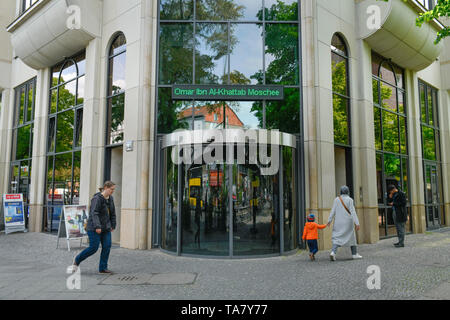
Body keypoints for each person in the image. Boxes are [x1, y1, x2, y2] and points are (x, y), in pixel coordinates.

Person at [71, 181, 117, 274]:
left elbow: (112, 213)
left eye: (113, 189)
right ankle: (77, 260)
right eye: (111, 189)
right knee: (93, 248)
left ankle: (103, 268)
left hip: (106, 228)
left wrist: (113, 225)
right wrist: (97, 226)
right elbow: (94, 213)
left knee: (107, 246)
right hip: (94, 227)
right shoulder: (97, 198)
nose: (113, 191)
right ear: (105, 188)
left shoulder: (110, 199)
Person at [327, 186, 362, 261]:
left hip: (338, 222)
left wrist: (329, 220)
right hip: (348, 223)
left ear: (341, 192)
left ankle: (333, 252)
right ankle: (354, 254)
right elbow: (353, 212)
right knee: (352, 237)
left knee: (336, 237)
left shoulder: (336, 199)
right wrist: (357, 223)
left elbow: (333, 211)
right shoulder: (350, 200)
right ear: (348, 192)